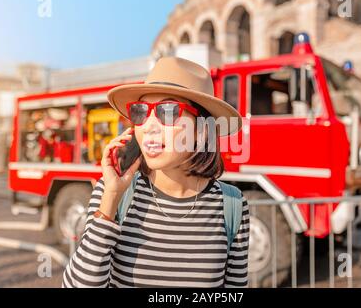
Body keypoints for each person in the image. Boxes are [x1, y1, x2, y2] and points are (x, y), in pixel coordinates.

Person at [62, 57, 249, 288]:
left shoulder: (233, 205)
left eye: (168, 112)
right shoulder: (112, 193)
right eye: (140, 112)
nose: (149, 125)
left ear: (203, 129)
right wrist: (111, 198)